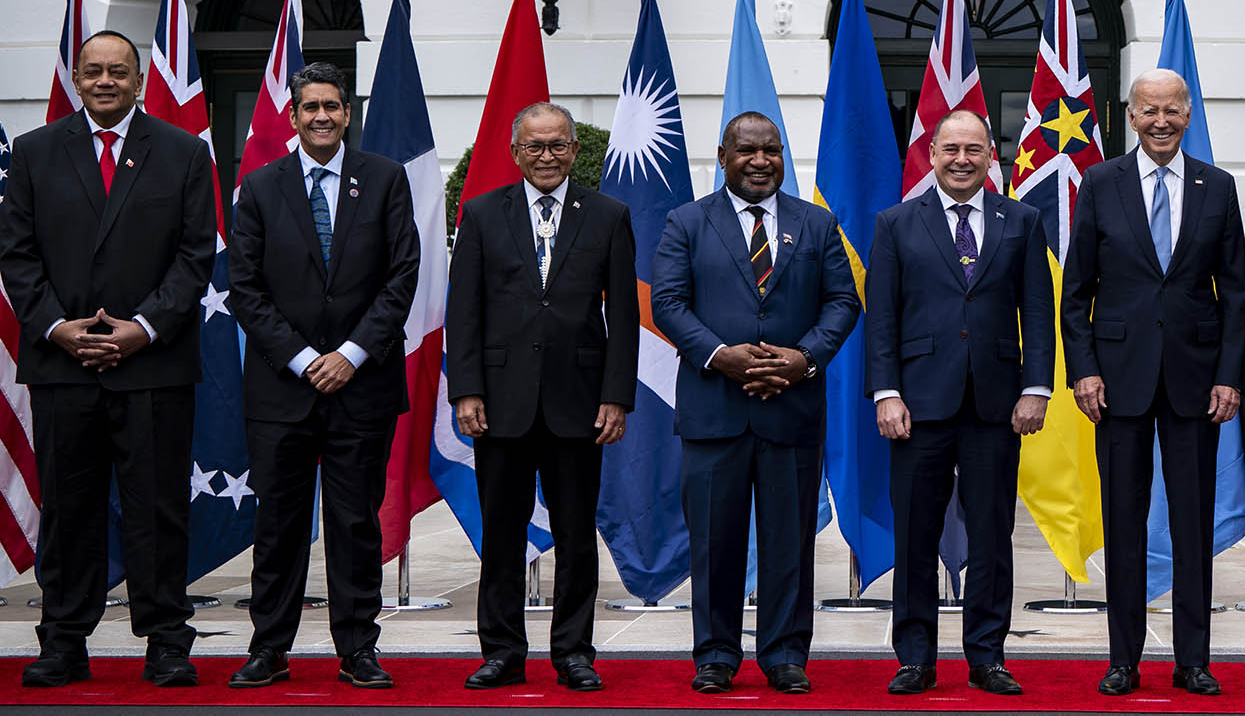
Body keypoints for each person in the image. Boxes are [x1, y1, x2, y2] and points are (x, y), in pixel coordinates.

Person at [0, 30, 215, 689]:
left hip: (152, 362)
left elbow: (195, 253)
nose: (104, 81)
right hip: (63, 365)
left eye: (117, 71)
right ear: (78, 77)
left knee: (157, 509)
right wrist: (58, 327)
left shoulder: (181, 153)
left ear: (139, 78)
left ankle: (166, 640)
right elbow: (17, 253)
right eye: (92, 70)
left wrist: (143, 327)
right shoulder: (36, 153)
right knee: (70, 508)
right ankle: (64, 637)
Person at [226, 63, 421, 690]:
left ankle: (358, 647)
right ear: (294, 116)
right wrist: (305, 358)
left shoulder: (385, 180)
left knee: (354, 521)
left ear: (346, 114)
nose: (320, 117)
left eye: (332, 106)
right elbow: (245, 288)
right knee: (278, 522)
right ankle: (268, 647)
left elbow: (402, 277)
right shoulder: (258, 188)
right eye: (309, 106)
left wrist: (352, 353)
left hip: (361, 386)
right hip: (282, 389)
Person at [651, 112, 861, 696]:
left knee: (789, 541)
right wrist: (722, 356)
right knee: (714, 543)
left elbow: (843, 301)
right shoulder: (687, 222)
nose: (761, 160)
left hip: (790, 410)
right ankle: (715, 655)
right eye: (748, 151)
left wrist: (802, 360)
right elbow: (668, 303)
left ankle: (785, 654)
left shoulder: (816, 224)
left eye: (772, 149)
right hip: (714, 409)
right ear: (723, 156)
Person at [1064, 68, 1245, 697]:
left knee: (1192, 523)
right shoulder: (1100, 183)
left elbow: (1238, 295)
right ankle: (1123, 658)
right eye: (1150, 111)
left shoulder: (1218, 187)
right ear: (1131, 116)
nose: (1162, 121)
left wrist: (1230, 376)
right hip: (1116, 384)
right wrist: (1084, 369)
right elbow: (1075, 292)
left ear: (1188, 114)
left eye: (1173, 110)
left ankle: (1193, 659)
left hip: (1196, 383)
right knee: (1124, 521)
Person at [445, 103, 638, 693]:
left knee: (577, 535)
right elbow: (465, 309)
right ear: (515, 152)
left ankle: (574, 652)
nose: (547, 156)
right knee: (501, 533)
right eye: (535, 147)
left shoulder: (608, 215)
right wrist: (466, 390)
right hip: (500, 401)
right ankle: (501, 650)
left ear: (576, 151)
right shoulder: (480, 213)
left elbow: (625, 316)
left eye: (558, 146)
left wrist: (616, 396)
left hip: (580, 401)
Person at [865, 109, 1054, 696]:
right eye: (950, 149)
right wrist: (887, 392)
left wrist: (1036, 388)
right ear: (931, 153)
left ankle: (988, 656)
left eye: (974, 149)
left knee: (994, 537)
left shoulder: (1021, 220)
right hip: (917, 406)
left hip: (997, 406)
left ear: (991, 156)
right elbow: (883, 318)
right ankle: (916, 657)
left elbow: (1039, 314)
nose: (962, 159)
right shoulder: (896, 223)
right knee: (915, 535)